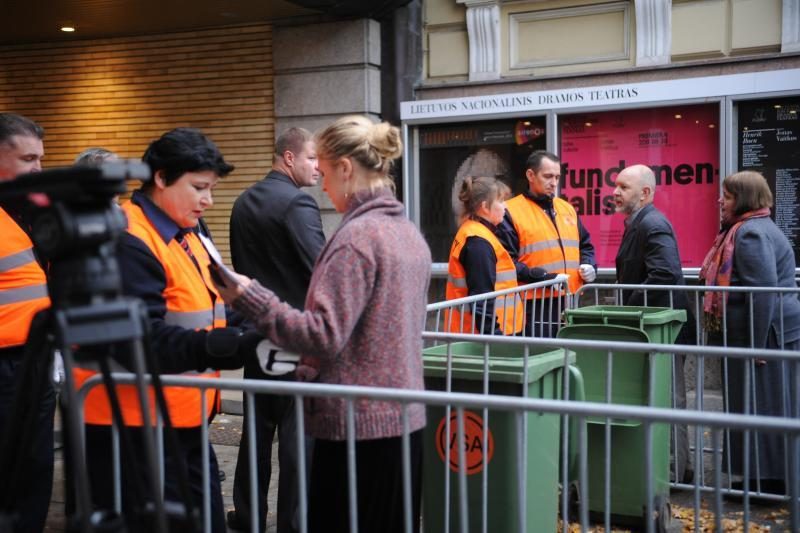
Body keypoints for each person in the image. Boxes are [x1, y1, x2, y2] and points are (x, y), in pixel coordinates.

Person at [212, 115, 430, 533]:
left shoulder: (356, 239)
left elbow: (325, 334)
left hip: (356, 425)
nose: (323, 184)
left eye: (326, 170)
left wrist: (250, 299)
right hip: (400, 417)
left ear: (346, 169)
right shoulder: (405, 233)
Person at [71, 128, 259, 532]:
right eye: (198, 188)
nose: (208, 200)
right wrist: (228, 345)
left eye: (210, 188)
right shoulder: (126, 237)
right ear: (160, 178)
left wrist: (265, 322)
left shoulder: (189, 230)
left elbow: (209, 303)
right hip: (132, 430)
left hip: (181, 420)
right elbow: (138, 339)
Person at [227, 127, 325, 533]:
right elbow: (322, 269)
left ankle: (249, 518)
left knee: (255, 435)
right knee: (297, 441)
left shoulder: (242, 202)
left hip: (256, 336)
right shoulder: (299, 203)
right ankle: (292, 524)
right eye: (312, 159)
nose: (319, 169)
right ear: (289, 157)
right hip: (294, 340)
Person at [700, 170, 800, 494]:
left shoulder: (749, 234)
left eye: (726, 196)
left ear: (743, 199)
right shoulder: (754, 228)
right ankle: (767, 479)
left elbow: (763, 293)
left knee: (760, 407)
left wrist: (756, 348)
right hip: (771, 333)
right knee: (765, 407)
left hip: (764, 336)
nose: (720, 201)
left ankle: (765, 484)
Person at [612, 163, 695, 483]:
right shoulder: (640, 222)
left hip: (665, 328)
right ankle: (671, 467)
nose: (615, 193)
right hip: (655, 326)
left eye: (623, 187)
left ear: (645, 193)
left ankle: (675, 472)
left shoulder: (653, 224)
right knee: (660, 397)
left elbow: (664, 273)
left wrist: (630, 310)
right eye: (616, 186)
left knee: (669, 398)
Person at [0, 113, 53, 533]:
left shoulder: (30, 212)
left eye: (41, 158)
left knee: (34, 464)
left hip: (33, 359)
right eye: (28, 158)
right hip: (4, 366)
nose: (38, 169)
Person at [498, 150, 596, 337]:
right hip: (533, 304)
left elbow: (585, 245)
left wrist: (589, 264)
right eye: (548, 176)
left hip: (570, 301)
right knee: (541, 356)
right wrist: (542, 277)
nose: (554, 183)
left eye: (557, 177)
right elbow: (506, 261)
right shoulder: (511, 211)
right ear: (530, 175)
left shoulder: (566, 208)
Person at [445, 175, 523, 335]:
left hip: (477, 335)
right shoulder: (478, 241)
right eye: (501, 201)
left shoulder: (476, 233)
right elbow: (482, 298)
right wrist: (493, 337)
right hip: (483, 339)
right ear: (485, 207)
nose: (505, 207)